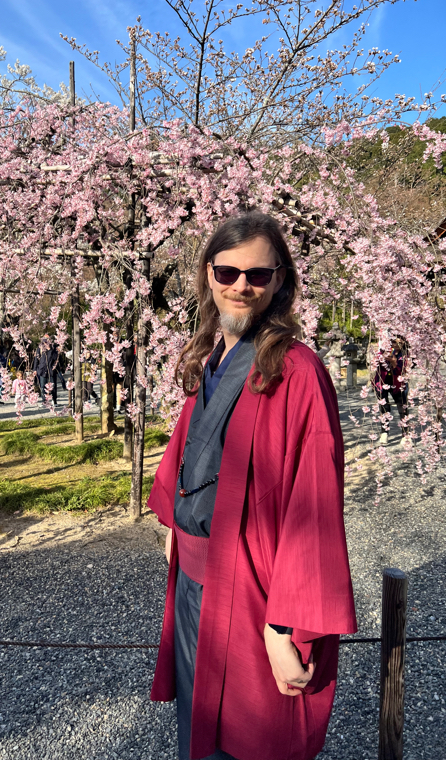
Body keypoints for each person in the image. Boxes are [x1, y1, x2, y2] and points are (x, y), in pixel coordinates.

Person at [147, 211, 356, 760]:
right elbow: (189, 453)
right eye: (228, 272)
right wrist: (175, 517)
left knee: (255, 736)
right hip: (195, 581)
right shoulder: (212, 356)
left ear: (280, 280)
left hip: (255, 586)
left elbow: (313, 502)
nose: (241, 285)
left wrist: (286, 626)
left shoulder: (298, 371)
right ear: (208, 275)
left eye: (258, 275)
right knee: (202, 727)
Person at [372, 337, 409, 446]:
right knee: (384, 407)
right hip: (382, 382)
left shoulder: (405, 354)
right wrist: (381, 358)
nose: (396, 343)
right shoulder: (384, 351)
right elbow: (375, 363)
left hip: (398, 383)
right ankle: (384, 433)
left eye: (399, 341)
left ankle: (405, 434)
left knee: (402, 408)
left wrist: (394, 363)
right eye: (393, 341)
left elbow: (404, 370)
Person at [32, 336, 59, 406]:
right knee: (42, 386)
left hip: (51, 369)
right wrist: (35, 369)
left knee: (53, 386)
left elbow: (55, 358)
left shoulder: (54, 348)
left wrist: (50, 350)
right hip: (42, 369)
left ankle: (54, 400)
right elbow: (36, 359)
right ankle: (44, 401)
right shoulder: (40, 348)